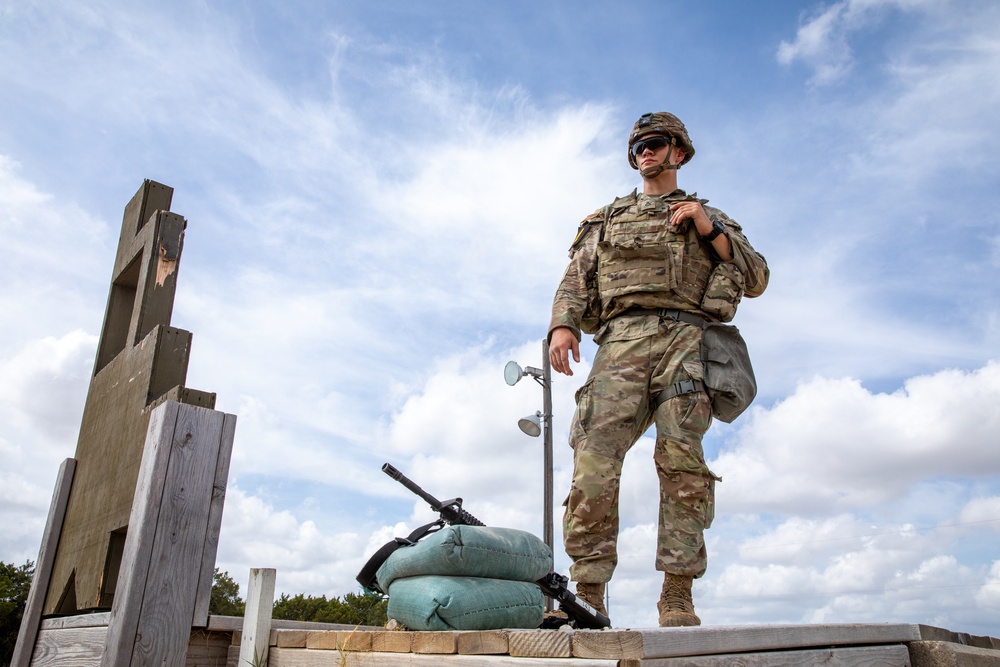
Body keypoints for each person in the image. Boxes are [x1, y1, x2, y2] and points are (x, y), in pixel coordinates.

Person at [548, 112, 769, 627]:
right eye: (638, 147)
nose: (645, 152)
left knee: (681, 462)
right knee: (594, 459)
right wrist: (563, 326)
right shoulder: (605, 219)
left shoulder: (707, 217)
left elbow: (755, 277)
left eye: (656, 144)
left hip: (686, 342)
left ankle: (676, 593)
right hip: (621, 342)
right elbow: (576, 278)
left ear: (679, 153)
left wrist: (705, 225)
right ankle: (589, 593)